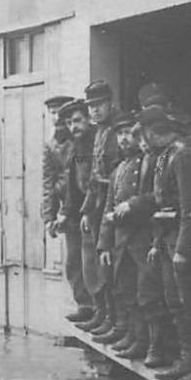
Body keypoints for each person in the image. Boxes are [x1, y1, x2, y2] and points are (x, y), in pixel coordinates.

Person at [143, 106, 191, 380]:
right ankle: (187, 361)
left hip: (183, 242)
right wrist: (157, 241)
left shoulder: (184, 155)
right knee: (175, 303)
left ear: (152, 132)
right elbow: (162, 202)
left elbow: (189, 207)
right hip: (167, 240)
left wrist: (183, 249)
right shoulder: (165, 157)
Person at [96, 114, 158, 361]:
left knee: (149, 294)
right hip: (122, 241)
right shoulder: (118, 170)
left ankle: (153, 345)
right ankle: (134, 337)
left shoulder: (152, 163)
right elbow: (107, 209)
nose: (124, 140)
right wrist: (103, 245)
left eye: (129, 134)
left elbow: (161, 196)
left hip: (144, 238)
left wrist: (134, 205)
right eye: (119, 134)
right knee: (126, 291)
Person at [78, 80, 122, 330]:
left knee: (111, 263)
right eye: (91, 106)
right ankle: (103, 312)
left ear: (110, 103)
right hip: (97, 204)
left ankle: (114, 320)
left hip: (112, 202)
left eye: (99, 105)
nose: (94, 111)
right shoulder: (100, 132)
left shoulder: (118, 130)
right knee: (96, 262)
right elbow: (94, 176)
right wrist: (86, 209)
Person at [49, 99, 95, 325]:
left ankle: (100, 312)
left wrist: (86, 209)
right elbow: (72, 184)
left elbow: (96, 182)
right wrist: (64, 212)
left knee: (93, 265)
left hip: (95, 212)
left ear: (88, 119)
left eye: (77, 121)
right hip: (78, 213)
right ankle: (86, 307)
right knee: (74, 263)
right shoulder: (74, 145)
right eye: (69, 122)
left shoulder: (97, 142)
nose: (73, 127)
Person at [39, 94, 75, 238]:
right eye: (53, 113)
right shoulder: (50, 145)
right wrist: (49, 217)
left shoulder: (79, 139)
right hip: (66, 209)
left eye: (60, 112)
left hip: (81, 205)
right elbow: (48, 182)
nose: (57, 117)